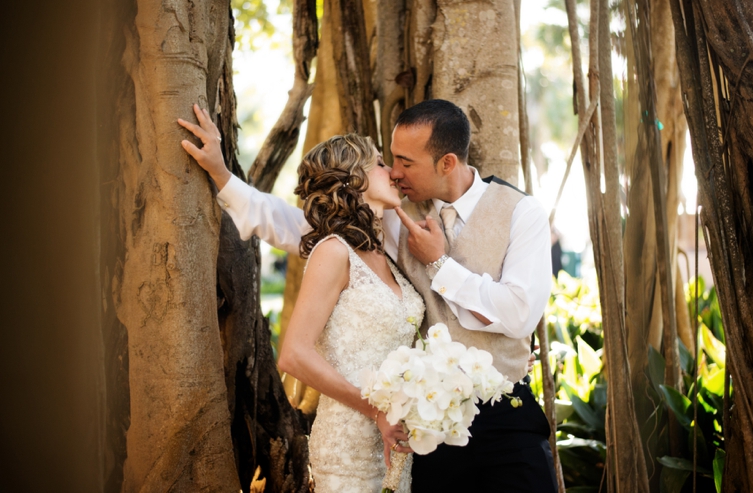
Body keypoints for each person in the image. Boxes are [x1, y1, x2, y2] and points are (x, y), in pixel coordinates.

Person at [179, 100, 556, 492]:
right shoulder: (391, 215)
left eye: (405, 162)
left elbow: (520, 313)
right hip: (426, 431)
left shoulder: (522, 213)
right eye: (389, 159)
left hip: (507, 418)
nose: (394, 172)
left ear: (446, 163)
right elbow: (301, 226)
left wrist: (440, 265)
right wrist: (222, 176)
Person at [180, 106, 421, 492]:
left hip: (392, 445)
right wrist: (221, 173)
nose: (392, 171)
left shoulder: (389, 252)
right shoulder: (332, 249)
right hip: (349, 446)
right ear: (353, 179)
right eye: (379, 162)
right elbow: (293, 355)